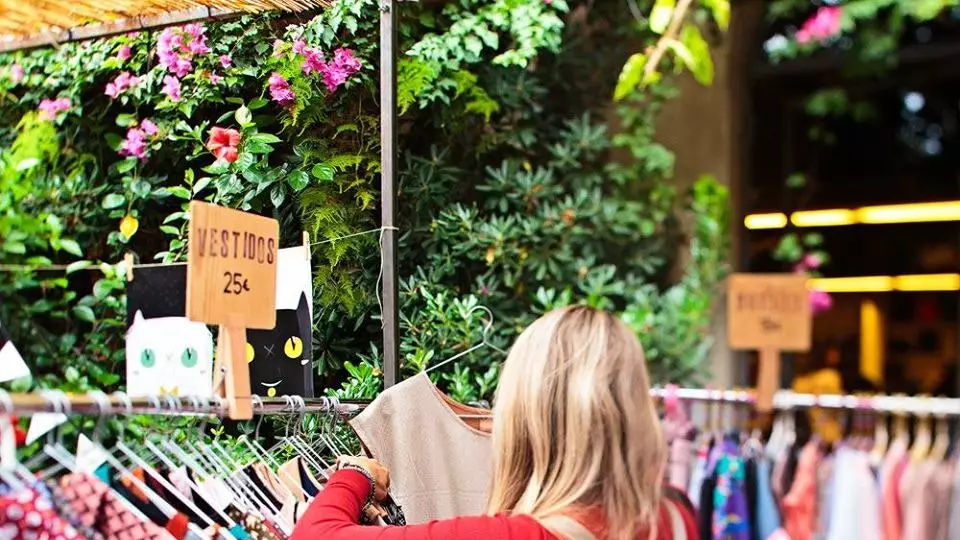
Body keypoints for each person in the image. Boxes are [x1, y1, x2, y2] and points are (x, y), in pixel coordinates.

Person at [291, 306, 697, 540]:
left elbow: (314, 536)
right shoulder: (676, 518)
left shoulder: (518, 536)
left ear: (526, 417)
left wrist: (356, 474)